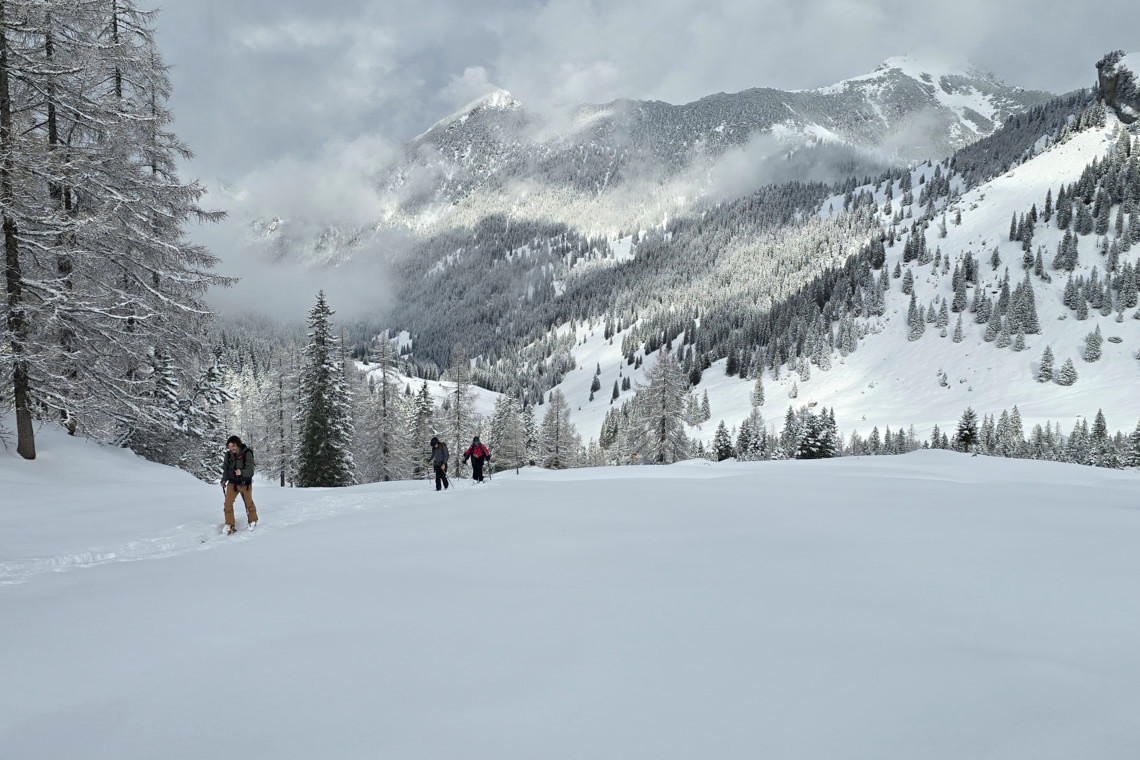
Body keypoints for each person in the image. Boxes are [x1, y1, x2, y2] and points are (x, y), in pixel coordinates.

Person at [221, 435, 259, 534]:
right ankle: (230, 524)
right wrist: (224, 480)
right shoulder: (228, 455)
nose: (231, 448)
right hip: (232, 483)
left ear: (238, 444)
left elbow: (250, 470)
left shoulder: (247, 453)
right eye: (229, 446)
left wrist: (241, 472)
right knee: (227, 504)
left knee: (248, 503)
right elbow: (226, 468)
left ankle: (253, 521)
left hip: (245, 483)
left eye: (233, 446)